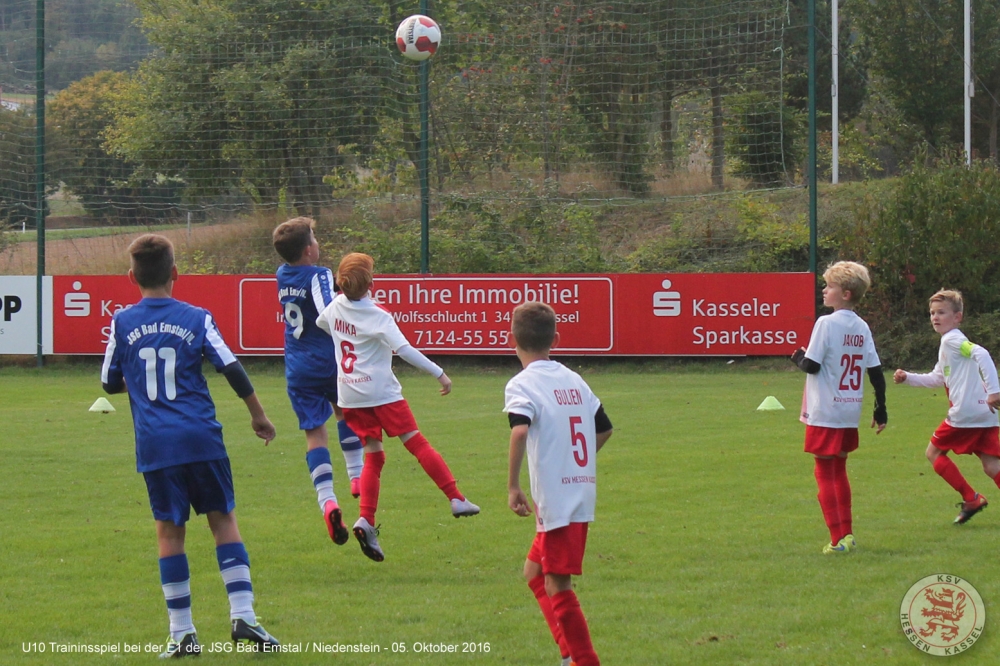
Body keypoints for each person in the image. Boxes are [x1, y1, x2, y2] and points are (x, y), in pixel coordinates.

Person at [101, 234, 279, 657]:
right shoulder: (197, 318)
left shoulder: (122, 323)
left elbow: (108, 382)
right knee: (223, 521)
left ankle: (182, 632)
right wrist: (258, 414)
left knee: (169, 533)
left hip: (156, 445)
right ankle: (245, 617)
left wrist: (143, 389)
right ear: (175, 273)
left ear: (131, 276)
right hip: (201, 438)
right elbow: (231, 367)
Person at [316, 252, 479, 562]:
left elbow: (321, 323)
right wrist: (440, 374)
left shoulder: (335, 306)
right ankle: (456, 498)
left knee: (374, 456)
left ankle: (366, 519)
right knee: (416, 443)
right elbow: (404, 349)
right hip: (381, 392)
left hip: (350, 394)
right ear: (371, 284)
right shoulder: (378, 314)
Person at [504, 301, 613, 666]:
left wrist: (513, 487)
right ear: (556, 339)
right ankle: (568, 654)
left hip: (557, 500)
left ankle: (584, 661)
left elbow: (519, 431)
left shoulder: (522, 383)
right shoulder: (573, 378)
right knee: (534, 572)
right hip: (577, 490)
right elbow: (604, 428)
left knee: (558, 584)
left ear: (512, 340)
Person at [273, 217, 364, 546]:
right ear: (310, 249)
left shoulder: (282, 274)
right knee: (345, 412)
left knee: (314, 433)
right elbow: (328, 313)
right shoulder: (319, 274)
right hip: (328, 360)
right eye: (315, 237)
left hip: (297, 365)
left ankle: (327, 501)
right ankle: (356, 478)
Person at [791, 261, 887, 554]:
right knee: (840, 470)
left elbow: (812, 365)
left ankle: (837, 539)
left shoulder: (825, 323)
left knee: (824, 472)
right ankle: (848, 533)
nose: (824, 290)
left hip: (825, 410)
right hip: (849, 410)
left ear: (845, 293)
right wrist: (880, 409)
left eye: (830, 286)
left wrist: (796, 356)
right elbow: (876, 371)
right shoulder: (861, 325)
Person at [894, 289, 1000, 524]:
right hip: (986, 413)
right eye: (932, 313)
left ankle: (971, 499)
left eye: (941, 312)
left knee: (933, 452)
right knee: (992, 464)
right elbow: (937, 378)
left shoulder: (953, 340)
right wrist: (908, 377)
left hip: (966, 413)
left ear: (957, 317)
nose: (935, 317)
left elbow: (981, 353)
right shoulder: (948, 344)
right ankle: (972, 499)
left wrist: (995, 391)